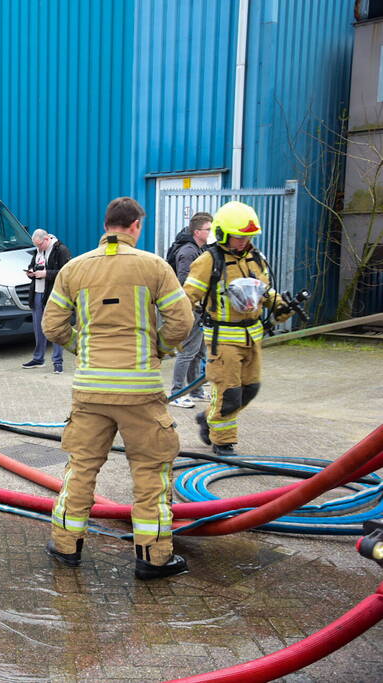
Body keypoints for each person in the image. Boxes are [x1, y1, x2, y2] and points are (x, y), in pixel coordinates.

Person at [42, 197, 194, 580]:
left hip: (90, 390)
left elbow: (52, 326)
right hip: (140, 392)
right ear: (136, 225)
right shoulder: (154, 267)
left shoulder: (74, 269)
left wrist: (82, 349)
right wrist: (158, 349)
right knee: (150, 472)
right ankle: (154, 558)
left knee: (81, 468)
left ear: (106, 224)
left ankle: (65, 546)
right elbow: (182, 321)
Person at [184, 201, 291, 456]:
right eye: (238, 237)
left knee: (250, 389)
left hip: (252, 337)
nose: (244, 242)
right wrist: (175, 330)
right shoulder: (209, 261)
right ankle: (223, 441)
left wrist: (279, 305)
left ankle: (207, 419)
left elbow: (263, 290)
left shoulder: (256, 258)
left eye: (248, 237)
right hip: (223, 341)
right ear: (222, 234)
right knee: (229, 393)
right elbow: (187, 297)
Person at [168, 212, 213, 408]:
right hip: (191, 308)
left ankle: (196, 390)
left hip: (201, 308)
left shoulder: (201, 249)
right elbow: (184, 283)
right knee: (187, 352)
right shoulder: (188, 252)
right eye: (208, 229)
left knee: (200, 351)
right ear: (197, 232)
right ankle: (177, 392)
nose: (211, 233)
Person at [22, 229, 72, 373]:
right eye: (36, 245)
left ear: (46, 239)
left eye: (39, 245)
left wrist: (46, 274)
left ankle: (58, 362)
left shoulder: (61, 250)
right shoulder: (38, 251)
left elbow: (66, 273)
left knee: (55, 328)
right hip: (37, 293)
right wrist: (31, 273)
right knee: (38, 328)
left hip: (53, 295)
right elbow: (33, 265)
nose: (38, 248)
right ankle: (38, 359)